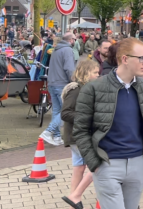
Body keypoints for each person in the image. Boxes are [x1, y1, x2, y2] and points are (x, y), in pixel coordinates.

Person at [73, 38, 143, 209]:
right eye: (141, 58)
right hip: (107, 164)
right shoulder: (93, 89)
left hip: (137, 162)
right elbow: (80, 130)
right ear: (125, 59)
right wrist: (94, 162)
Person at [60, 59, 100, 209]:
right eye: (95, 72)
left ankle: (73, 200)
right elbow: (65, 113)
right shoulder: (76, 90)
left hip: (76, 136)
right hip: (79, 137)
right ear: (86, 73)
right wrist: (87, 117)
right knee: (97, 165)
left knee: (79, 168)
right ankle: (76, 195)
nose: (98, 75)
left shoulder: (86, 88)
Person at [40, 33, 77, 146]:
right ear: (71, 40)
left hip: (52, 83)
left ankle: (56, 137)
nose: (76, 41)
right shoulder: (68, 50)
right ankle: (48, 131)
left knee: (56, 111)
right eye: (75, 39)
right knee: (64, 111)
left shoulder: (55, 49)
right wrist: (74, 81)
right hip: (62, 84)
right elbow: (69, 68)